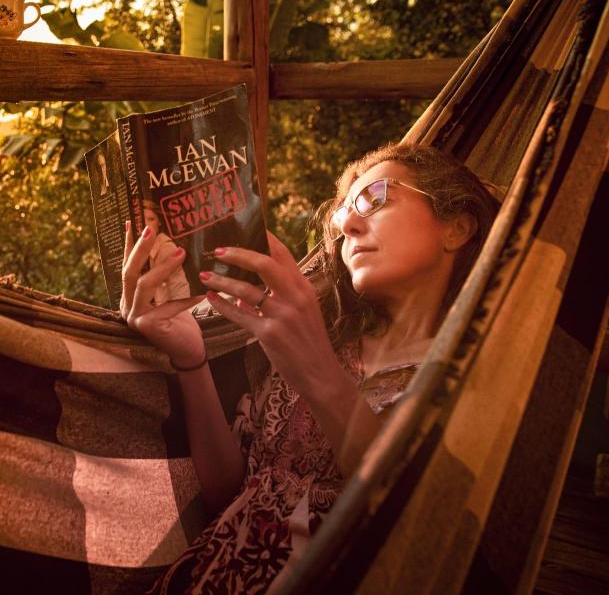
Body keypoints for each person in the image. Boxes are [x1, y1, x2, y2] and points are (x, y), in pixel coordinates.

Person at [121, 144, 500, 593]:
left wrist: (316, 369)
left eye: (374, 198)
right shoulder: (325, 341)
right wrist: (190, 358)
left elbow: (416, 522)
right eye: (341, 215)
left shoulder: (477, 374)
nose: (347, 225)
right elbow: (234, 495)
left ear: (457, 227)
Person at [143, 199, 192, 304]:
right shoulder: (147, 248)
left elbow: (167, 293)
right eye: (143, 220)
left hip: (176, 307)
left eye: (151, 219)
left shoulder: (165, 247)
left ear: (159, 222)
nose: (146, 225)